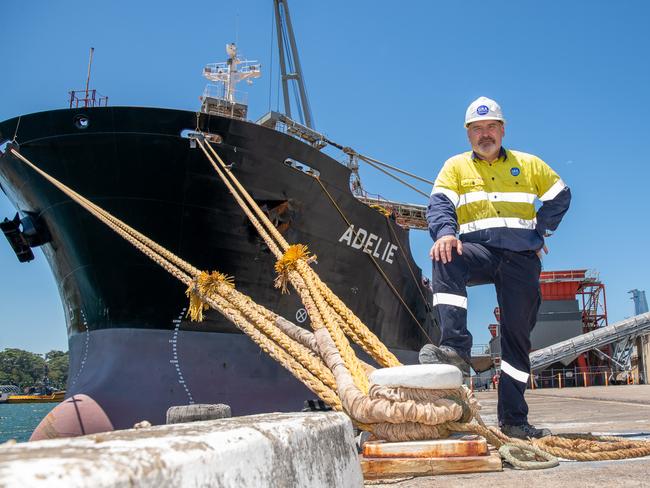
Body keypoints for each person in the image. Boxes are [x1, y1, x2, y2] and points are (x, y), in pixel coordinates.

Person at [421, 96, 571, 439]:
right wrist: (445, 233)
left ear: (502, 130)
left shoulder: (529, 164)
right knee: (444, 254)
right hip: (480, 250)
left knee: (517, 340)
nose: (484, 134)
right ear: (467, 134)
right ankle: (455, 348)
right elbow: (439, 205)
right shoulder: (456, 167)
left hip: (520, 259)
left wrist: (540, 230)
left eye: (490, 127)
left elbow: (560, 195)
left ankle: (515, 421)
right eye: (476, 129)